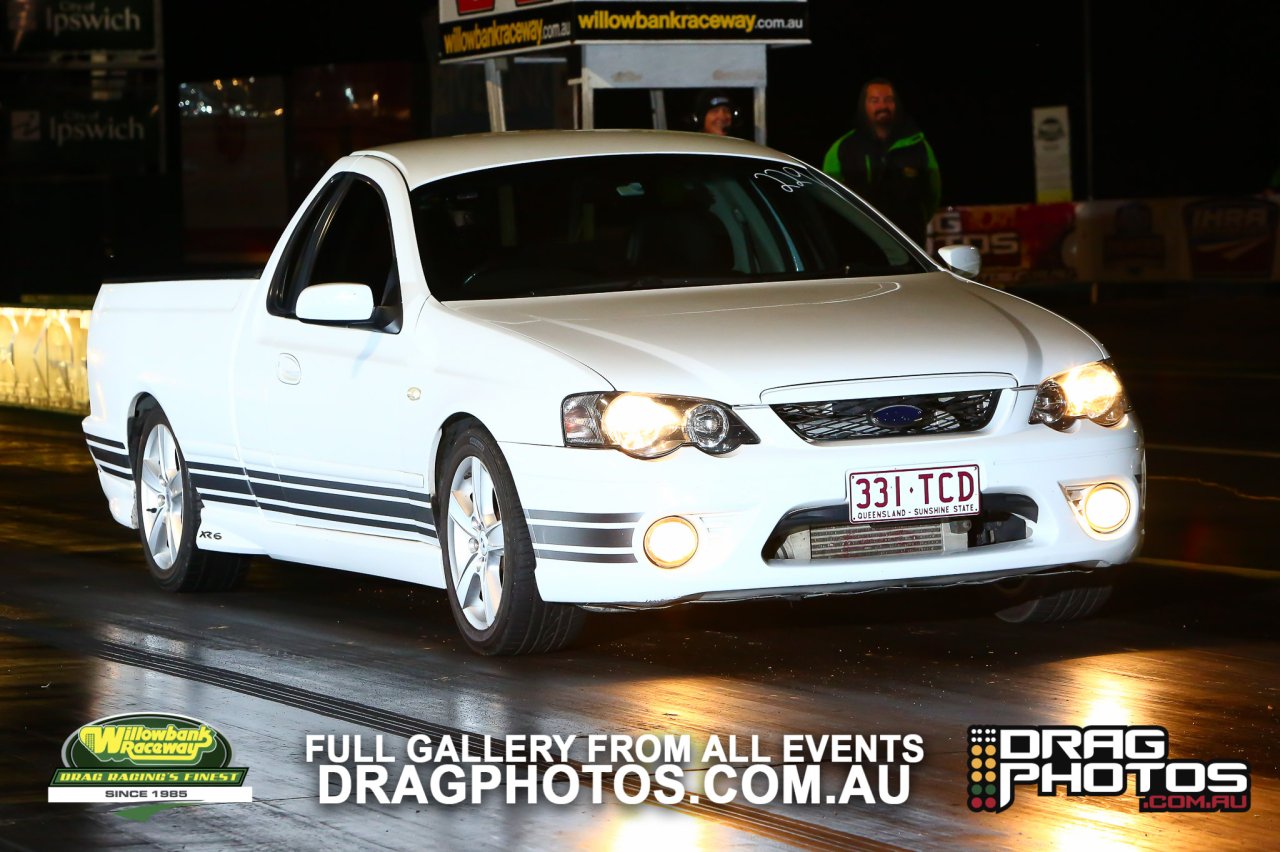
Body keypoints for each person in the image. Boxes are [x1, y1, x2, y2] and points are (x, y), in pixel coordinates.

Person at [823, 78, 941, 245]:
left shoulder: (918, 145)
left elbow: (932, 195)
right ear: (864, 105)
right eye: (875, 100)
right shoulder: (842, 147)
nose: (882, 106)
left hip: (909, 245)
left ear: (897, 104)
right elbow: (829, 197)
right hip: (858, 246)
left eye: (888, 100)